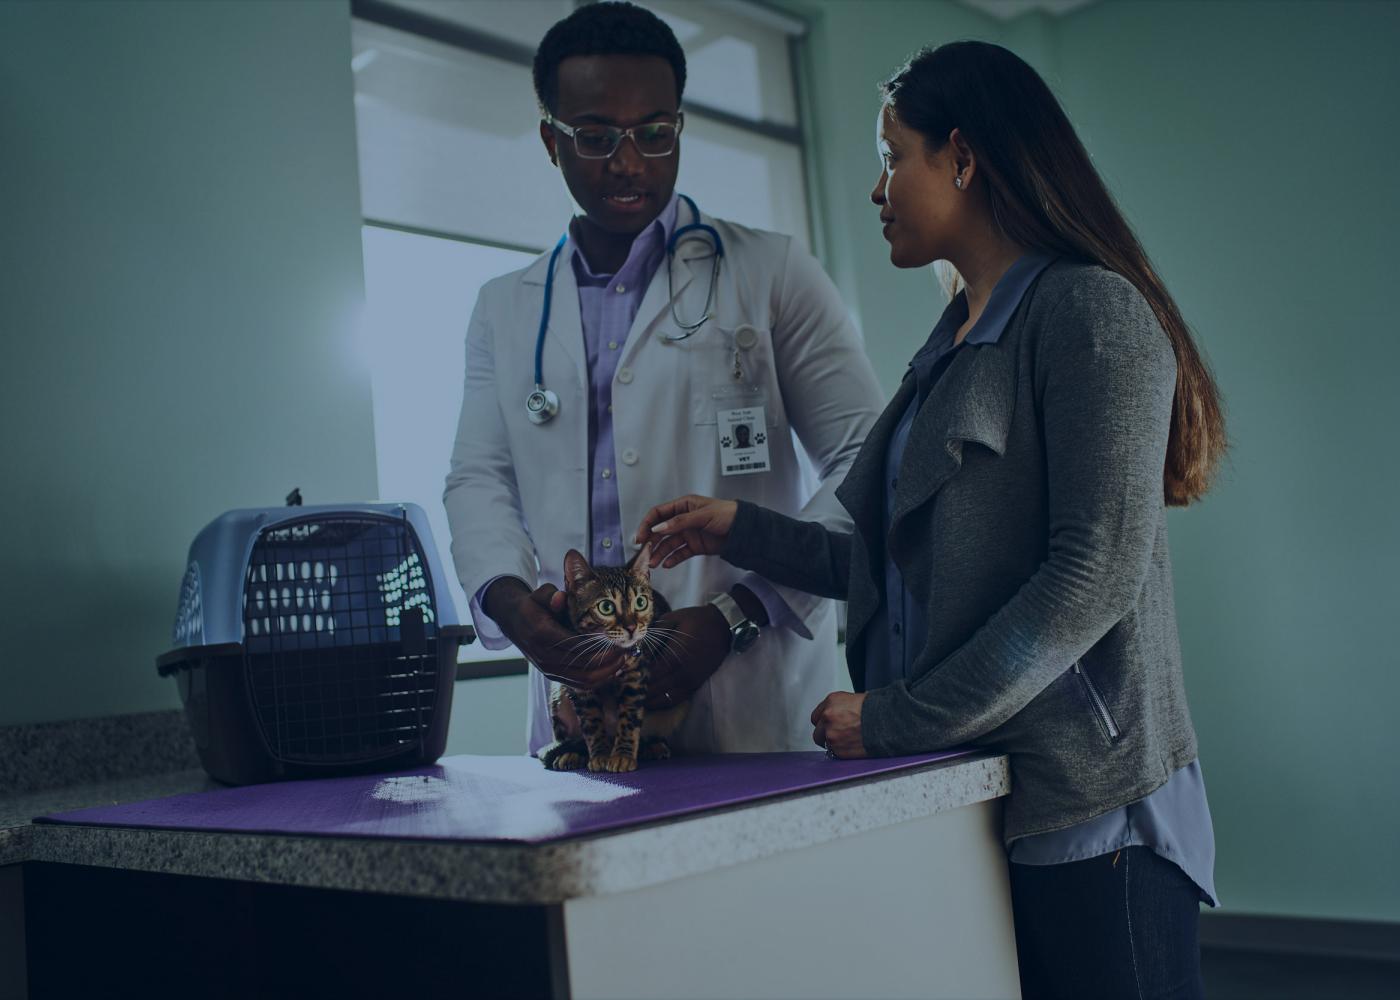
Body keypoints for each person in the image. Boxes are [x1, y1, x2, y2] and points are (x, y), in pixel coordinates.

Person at [638, 41, 1225, 1000]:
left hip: (1091, 807)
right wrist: (738, 528)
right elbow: (891, 563)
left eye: (891, 155)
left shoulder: (1090, 311)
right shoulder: (950, 339)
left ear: (961, 156)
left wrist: (901, 719)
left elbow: (1094, 575)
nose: (877, 188)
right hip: (972, 789)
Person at [443, 1, 883, 756]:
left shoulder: (772, 273)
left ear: (679, 126)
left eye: (654, 132)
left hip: (756, 703)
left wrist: (738, 613)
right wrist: (514, 608)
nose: (627, 162)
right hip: (583, 705)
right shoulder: (502, 309)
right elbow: (477, 480)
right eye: (595, 136)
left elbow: (868, 466)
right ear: (552, 141)